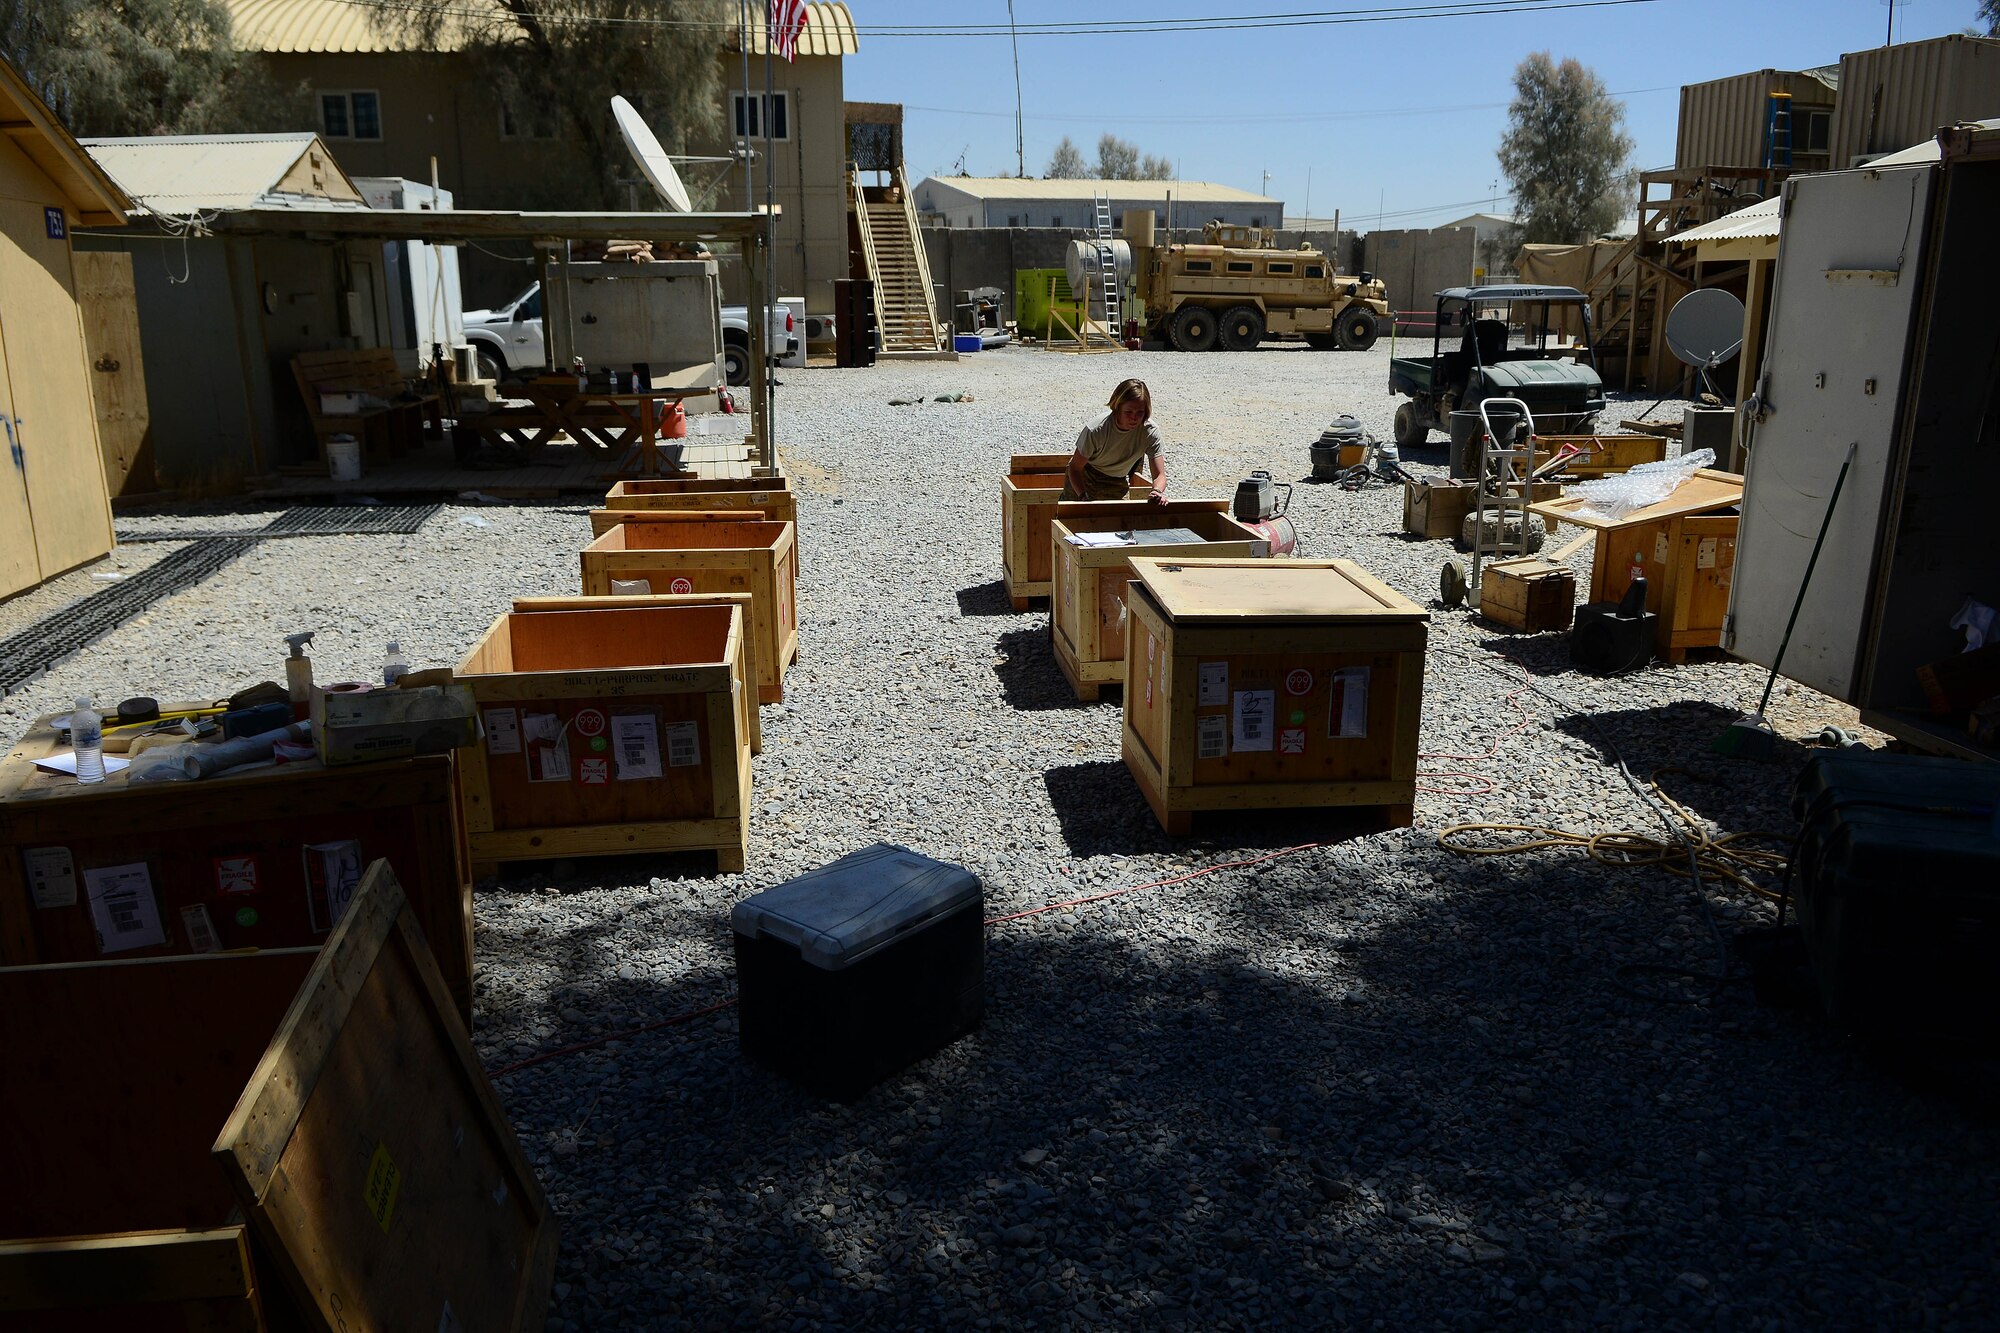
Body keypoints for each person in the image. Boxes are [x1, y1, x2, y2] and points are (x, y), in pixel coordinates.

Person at [1061, 378, 1169, 503]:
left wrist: (1157, 491)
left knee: (1120, 520)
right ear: (1117, 408)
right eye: (1128, 412)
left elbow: (1160, 475)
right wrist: (1082, 496)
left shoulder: (1150, 432)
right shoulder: (1096, 429)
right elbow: (1074, 468)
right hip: (1086, 475)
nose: (1134, 418)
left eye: (1140, 412)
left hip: (1117, 480)